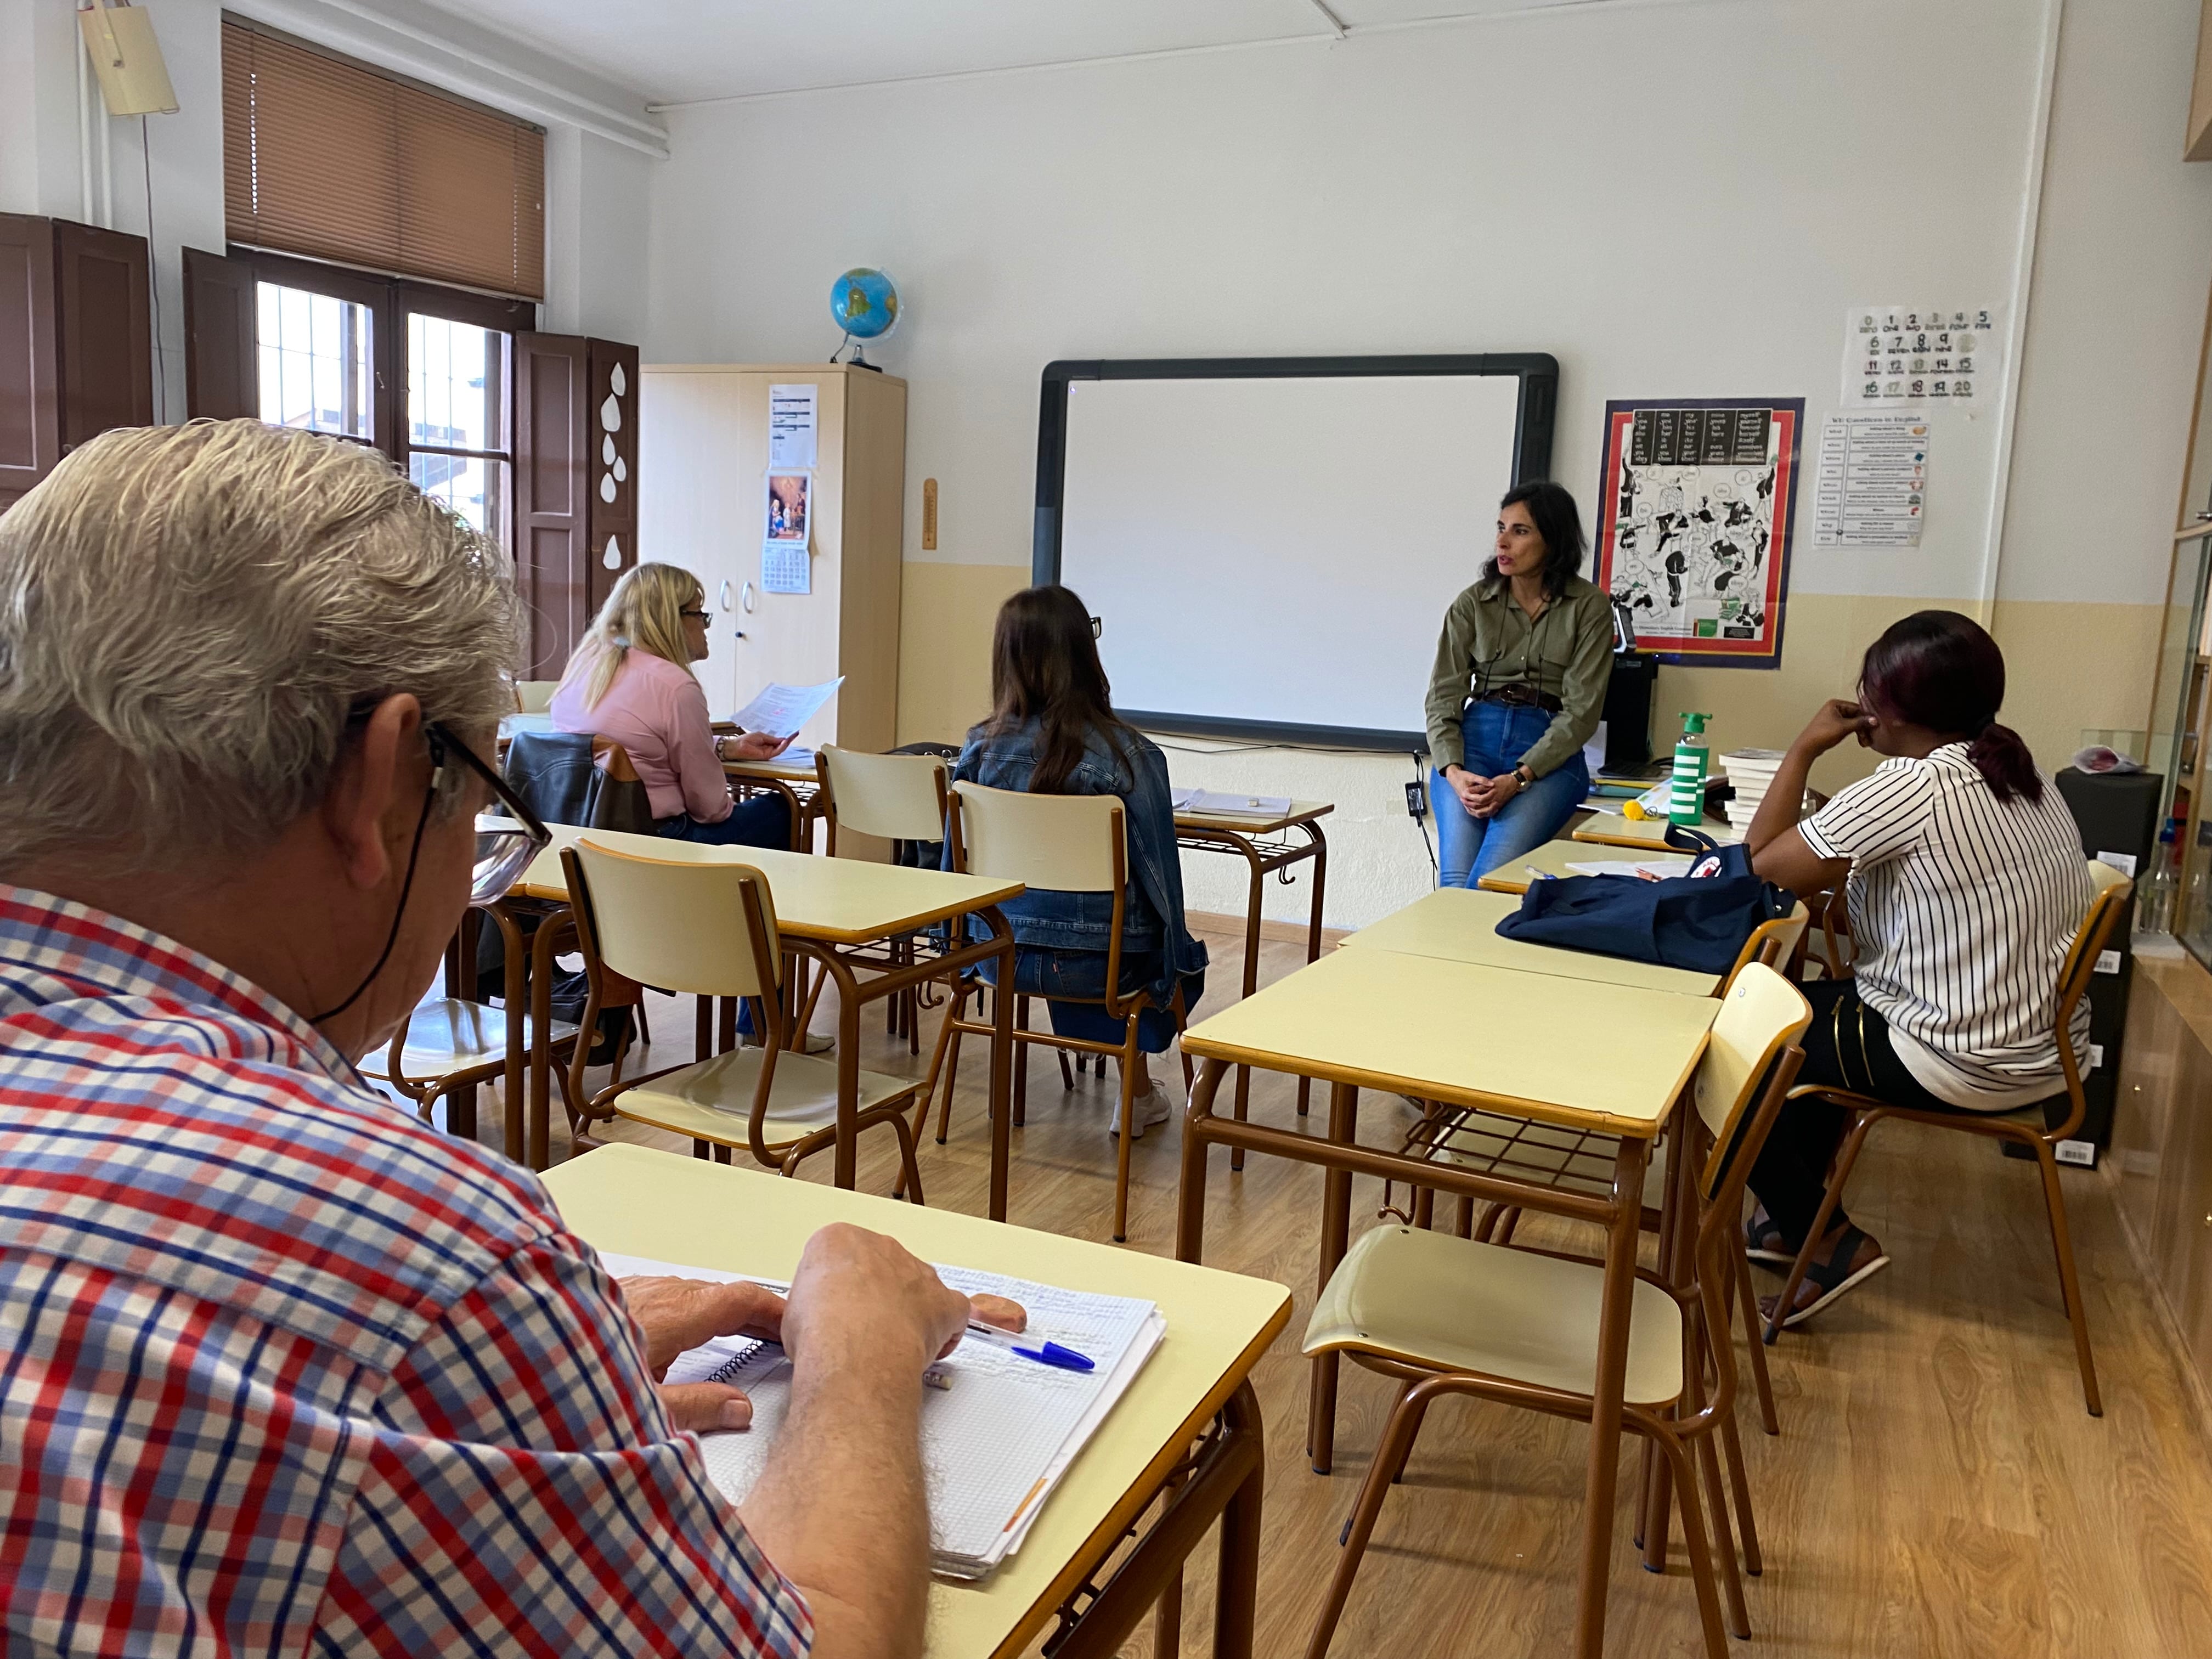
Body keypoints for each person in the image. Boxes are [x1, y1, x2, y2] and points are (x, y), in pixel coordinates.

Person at [0, 421, 1016, 1657]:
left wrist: (498, 1385)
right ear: (382, 781)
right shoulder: (415, 1258)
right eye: (486, 796)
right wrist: (859, 1354)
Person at [1742, 610, 2092, 1327]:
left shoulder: (1911, 786)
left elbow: (1763, 865)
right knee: (1805, 1015)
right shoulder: (2019, 767)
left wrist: (1805, 747)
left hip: (1959, 1055)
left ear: (1896, 710)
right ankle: (1800, 1221)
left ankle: (1833, 1243)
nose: (1860, 706)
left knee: (1738, 1047)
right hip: (2042, 1047)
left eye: (1868, 691)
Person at [951, 585, 1207, 1136]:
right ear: (1083, 655)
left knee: (1109, 939)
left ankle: (1136, 1094)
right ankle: (1135, 1094)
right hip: (1101, 969)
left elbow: (956, 870)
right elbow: (1162, 886)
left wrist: (953, 945)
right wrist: (1176, 969)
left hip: (1000, 956)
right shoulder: (1130, 757)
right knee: (1159, 957)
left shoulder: (978, 750)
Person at [1423, 481, 1615, 887]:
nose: (1502, 542)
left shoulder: (1590, 607)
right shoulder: (1472, 604)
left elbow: (1581, 713)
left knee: (1488, 882)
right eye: (1500, 527)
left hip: (1547, 757)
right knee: (1455, 884)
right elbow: (1443, 698)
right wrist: (1454, 772)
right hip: (1472, 744)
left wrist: (1521, 778)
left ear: (1553, 540)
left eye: (1520, 531)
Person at [551, 561, 794, 847]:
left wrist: (723, 747)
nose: (706, 626)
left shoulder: (584, 664)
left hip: (582, 834)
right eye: (700, 614)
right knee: (780, 809)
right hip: (656, 841)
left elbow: (638, 742)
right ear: (672, 619)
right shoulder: (675, 687)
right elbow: (711, 810)